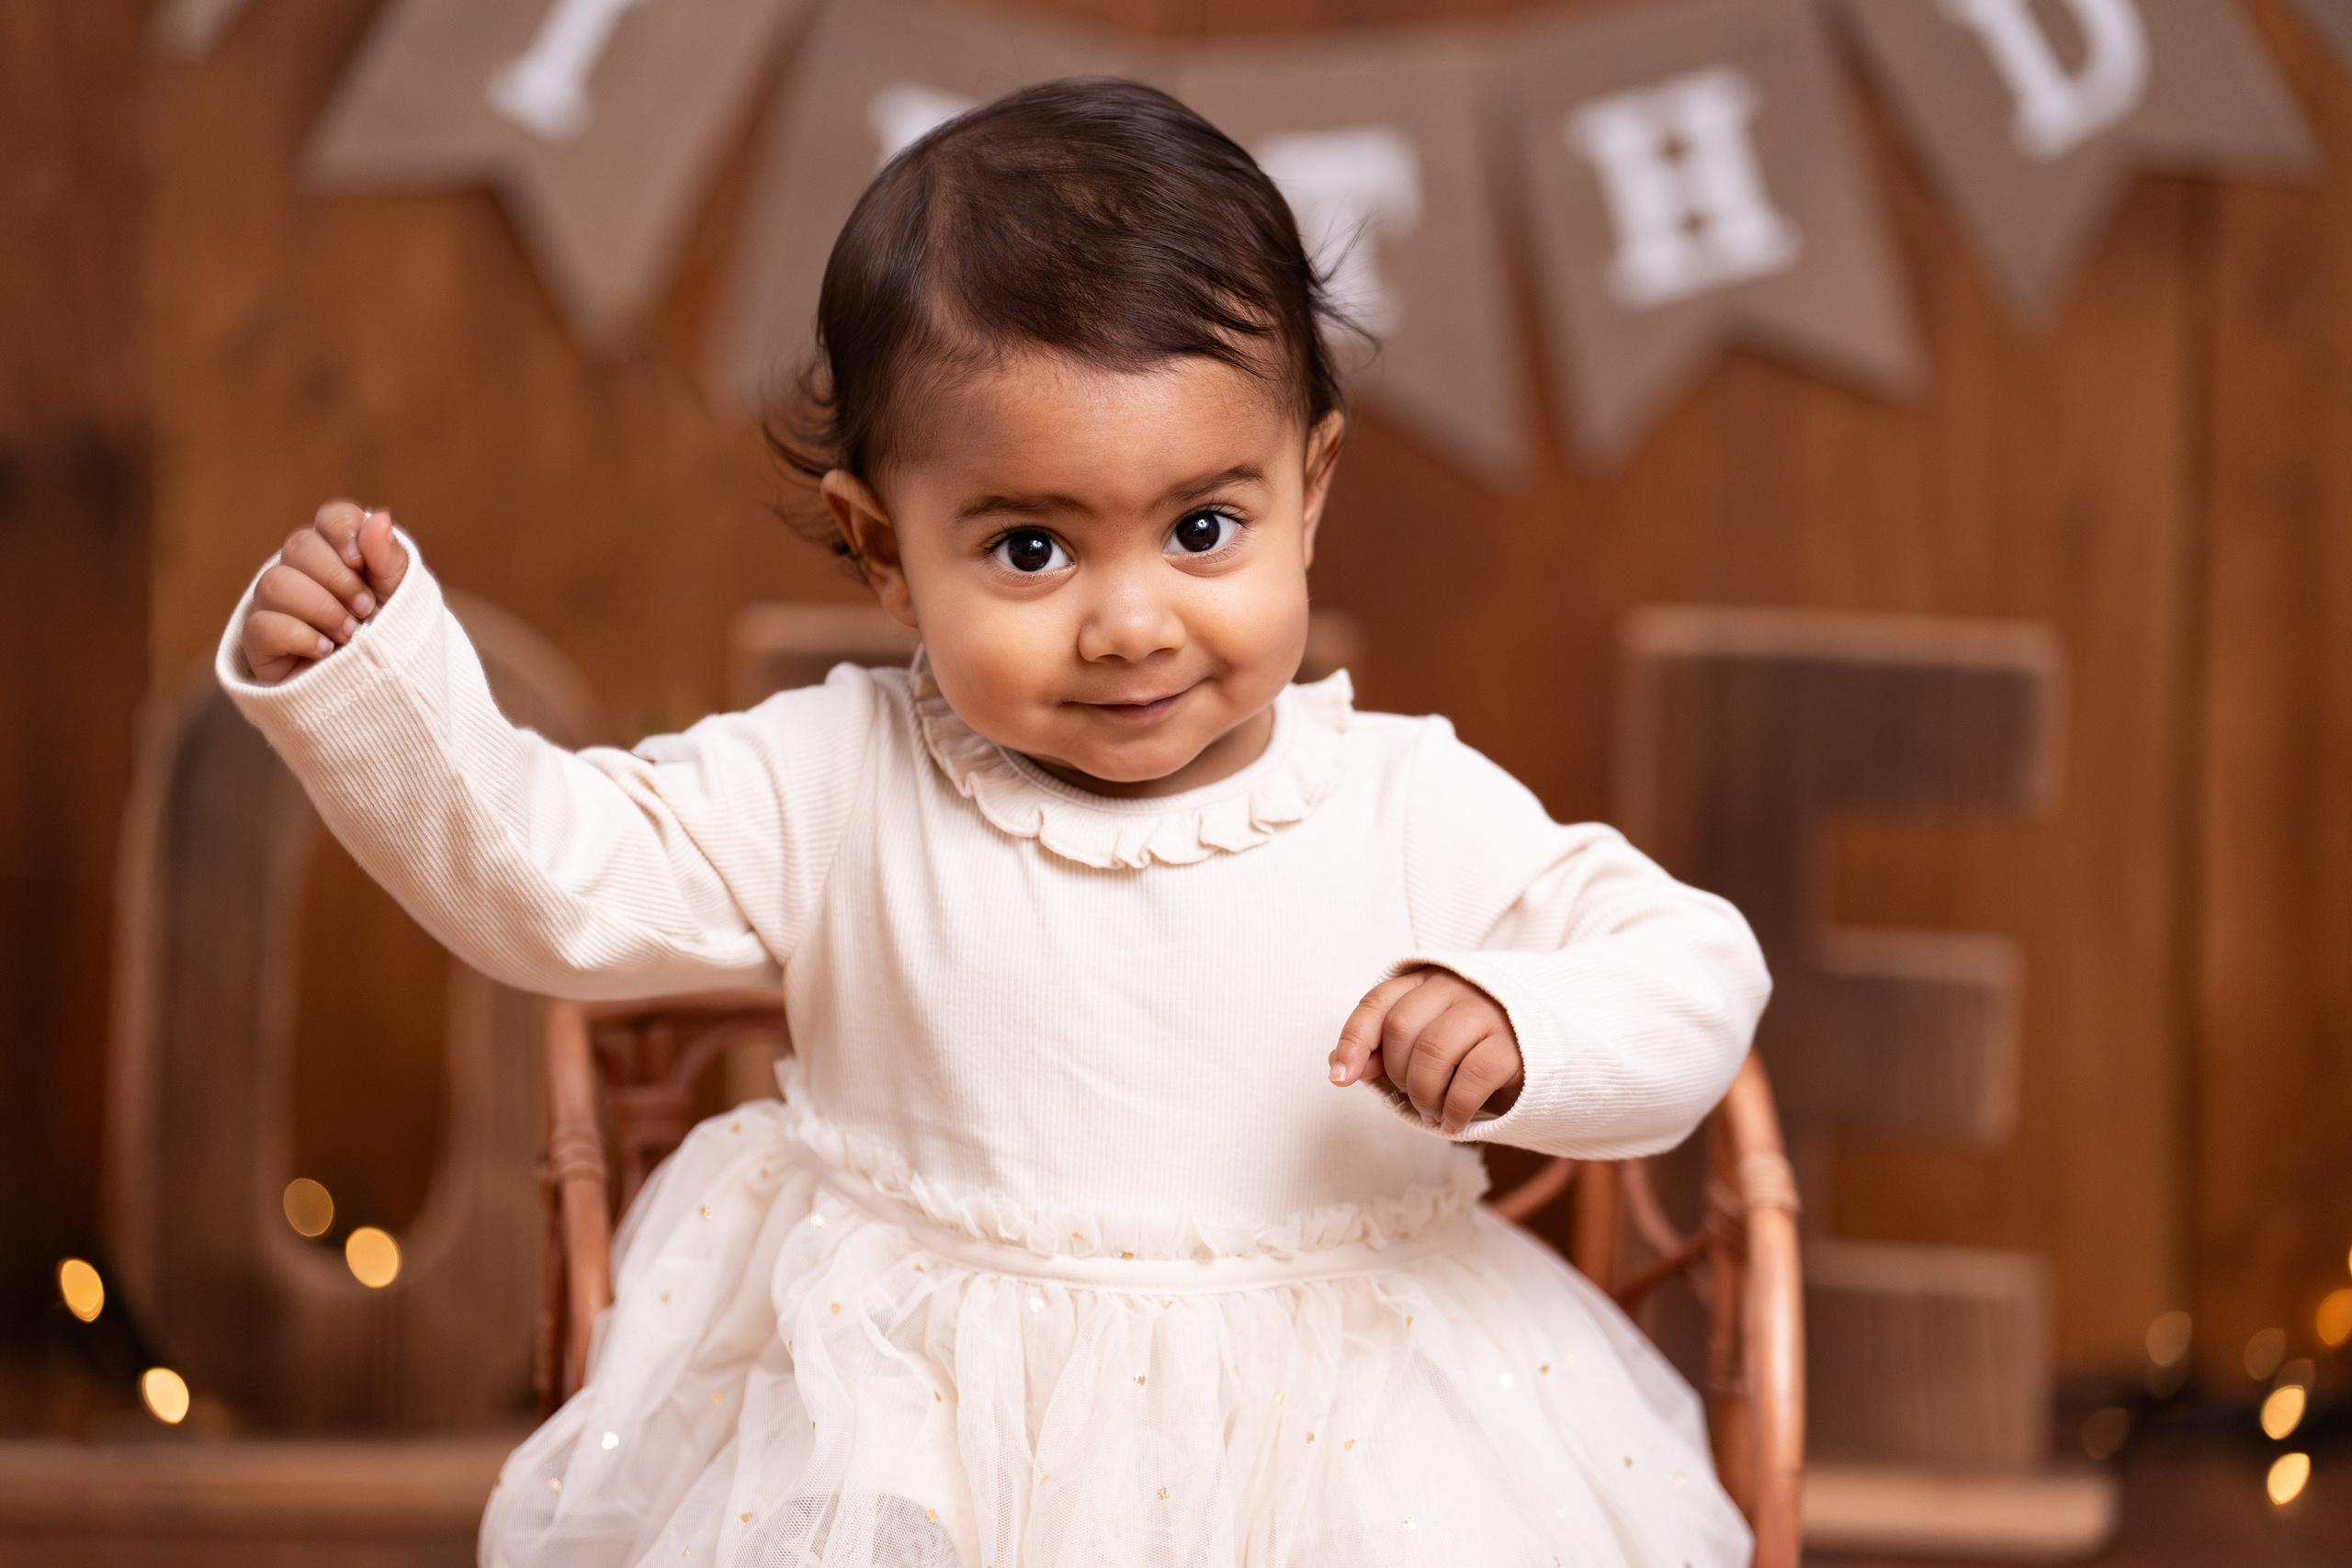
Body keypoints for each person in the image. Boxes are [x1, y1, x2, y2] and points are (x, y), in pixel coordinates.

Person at [223, 78, 1769, 1568]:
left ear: (1314, 489)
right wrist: (381, 690)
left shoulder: (1407, 801)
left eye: (1205, 530)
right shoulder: (839, 781)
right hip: (922, 1457)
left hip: (1355, 1466)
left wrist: (1523, 1021)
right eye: (1030, 547)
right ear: (881, 549)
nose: (1131, 622)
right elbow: (548, 877)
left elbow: (1697, 969)